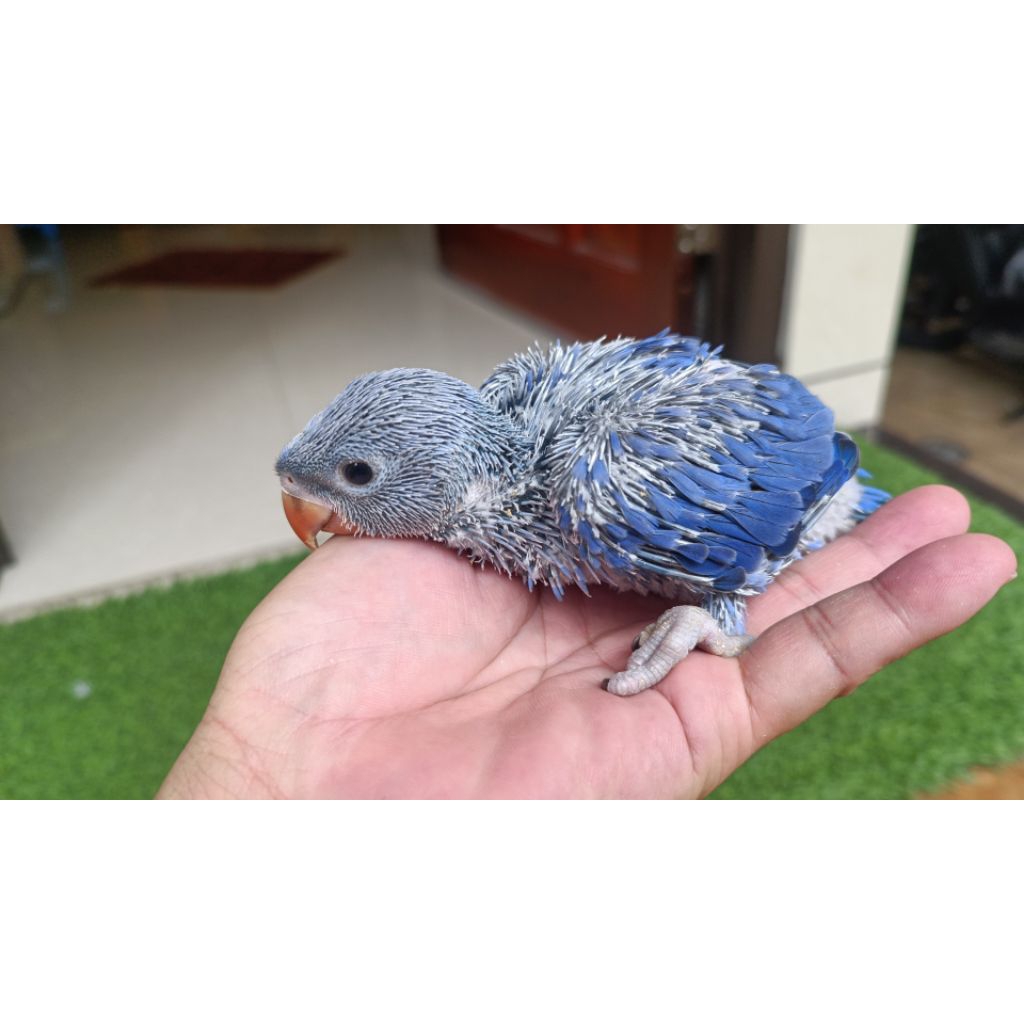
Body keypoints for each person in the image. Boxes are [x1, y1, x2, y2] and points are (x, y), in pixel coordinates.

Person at [158, 485, 1016, 799]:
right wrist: (260, 771)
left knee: (687, 534)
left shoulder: (603, 490)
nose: (314, 515)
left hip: (799, 492)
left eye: (356, 479)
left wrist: (712, 607)